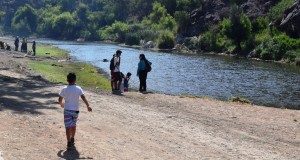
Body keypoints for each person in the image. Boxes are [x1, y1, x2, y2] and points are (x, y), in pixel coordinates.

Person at [58, 73, 92, 148]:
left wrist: (61, 103)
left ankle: (68, 142)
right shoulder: (78, 88)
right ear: (75, 80)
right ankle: (72, 138)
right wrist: (88, 105)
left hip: (67, 110)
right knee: (73, 125)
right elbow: (83, 97)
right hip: (75, 111)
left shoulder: (64, 89)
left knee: (67, 127)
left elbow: (60, 98)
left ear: (67, 80)